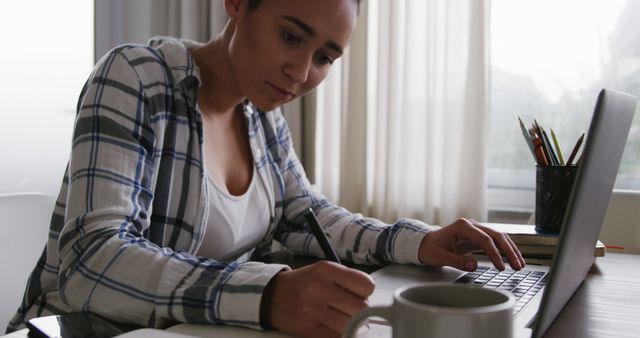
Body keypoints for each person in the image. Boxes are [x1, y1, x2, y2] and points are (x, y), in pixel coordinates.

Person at [7, 0, 525, 337]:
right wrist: (269, 294)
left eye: (324, 57)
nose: (300, 73)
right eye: (291, 36)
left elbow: (306, 216)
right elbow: (90, 263)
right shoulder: (135, 78)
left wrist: (420, 242)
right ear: (236, 4)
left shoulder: (260, 112)